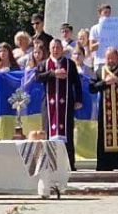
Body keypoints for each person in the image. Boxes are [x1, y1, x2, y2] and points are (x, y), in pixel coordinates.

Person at [33, 39, 83, 170]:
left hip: (66, 105)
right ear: (49, 49)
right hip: (48, 105)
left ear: (62, 49)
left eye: (58, 47)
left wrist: (79, 100)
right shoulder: (44, 64)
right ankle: (48, 165)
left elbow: (77, 83)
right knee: (47, 133)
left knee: (67, 133)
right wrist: (53, 74)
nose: (55, 50)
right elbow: (37, 77)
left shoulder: (70, 64)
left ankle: (69, 164)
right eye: (53, 47)